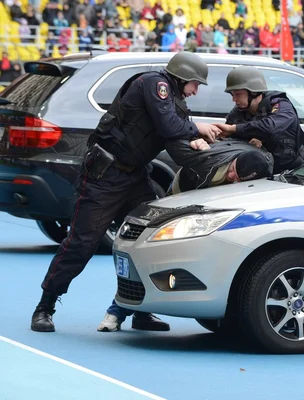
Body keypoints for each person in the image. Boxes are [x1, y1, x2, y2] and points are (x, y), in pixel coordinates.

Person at [30, 51, 221, 333]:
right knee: (82, 243)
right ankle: (44, 307)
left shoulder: (174, 100)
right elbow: (169, 126)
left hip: (135, 176)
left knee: (152, 239)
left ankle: (142, 310)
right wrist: (197, 129)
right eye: (195, 84)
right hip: (104, 176)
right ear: (182, 77)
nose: (195, 91)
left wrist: (198, 144)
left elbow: (175, 139)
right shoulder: (154, 84)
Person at [212, 66, 304, 174]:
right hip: (263, 177)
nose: (234, 99)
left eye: (238, 94)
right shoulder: (238, 113)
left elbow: (271, 127)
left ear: (253, 92)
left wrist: (235, 129)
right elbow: (227, 142)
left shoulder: (281, 105)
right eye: (232, 94)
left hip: (296, 173)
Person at [165, 137, 274, 194]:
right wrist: (194, 141)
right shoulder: (208, 168)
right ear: (235, 159)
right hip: (183, 185)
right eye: (232, 169)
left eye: (237, 178)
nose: (231, 176)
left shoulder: (264, 165)